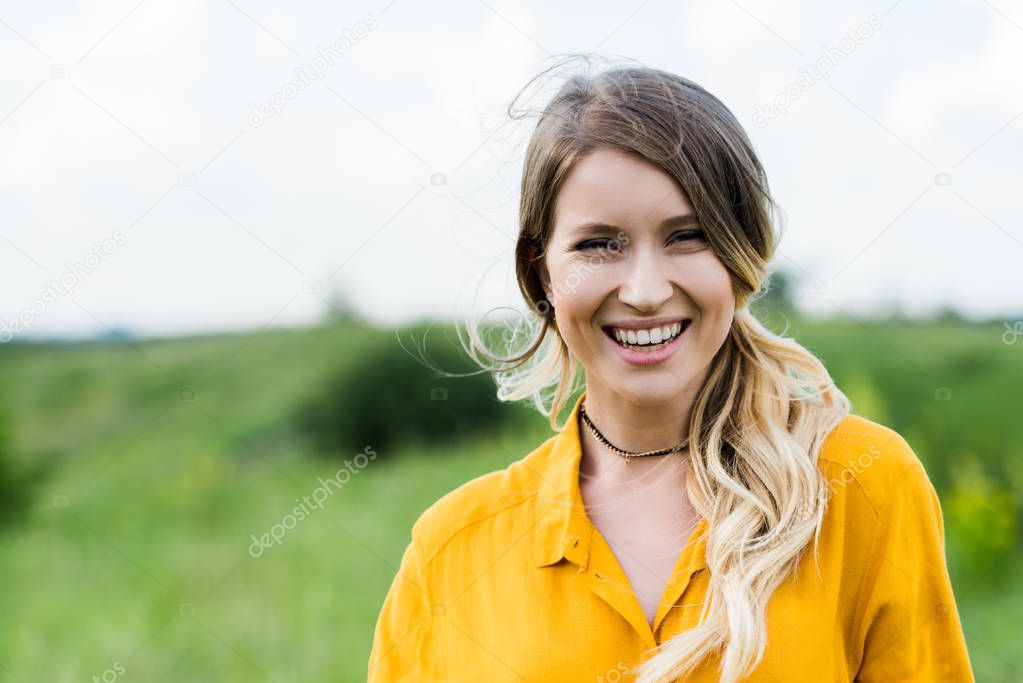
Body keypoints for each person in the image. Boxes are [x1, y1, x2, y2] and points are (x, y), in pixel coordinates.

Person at [367, 62, 975, 682]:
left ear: (741, 259)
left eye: (688, 236)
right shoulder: (451, 550)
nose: (646, 290)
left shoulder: (863, 486)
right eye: (599, 244)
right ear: (542, 272)